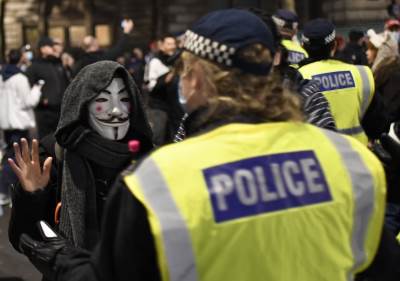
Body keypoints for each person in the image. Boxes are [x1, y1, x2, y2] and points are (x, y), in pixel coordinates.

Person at [14, 9, 400, 281]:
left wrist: (61, 257)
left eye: (182, 72)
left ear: (196, 78)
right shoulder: (350, 162)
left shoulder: (159, 184)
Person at [8, 61, 153, 259]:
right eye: (103, 100)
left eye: (124, 99)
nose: (117, 111)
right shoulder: (54, 154)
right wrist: (32, 196)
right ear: (81, 105)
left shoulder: (145, 156)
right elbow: (23, 239)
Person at [298, 19, 376, 145]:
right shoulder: (361, 73)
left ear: (303, 46)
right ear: (334, 45)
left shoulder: (297, 77)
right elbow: (378, 120)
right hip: (360, 155)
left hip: (322, 157)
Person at [0, 49, 42, 205]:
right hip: (19, 122)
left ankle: (7, 190)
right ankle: (7, 191)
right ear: (21, 59)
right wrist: (37, 89)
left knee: (10, 155)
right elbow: (29, 101)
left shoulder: (2, 76)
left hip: (6, 123)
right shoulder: (20, 78)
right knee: (16, 157)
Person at [26, 36, 69, 139]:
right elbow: (29, 86)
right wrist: (42, 100)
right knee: (45, 140)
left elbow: (65, 83)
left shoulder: (57, 64)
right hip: (44, 111)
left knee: (60, 140)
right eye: (50, 46)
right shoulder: (34, 67)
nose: (53, 48)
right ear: (42, 49)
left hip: (59, 109)